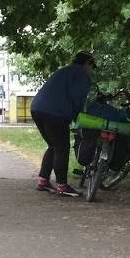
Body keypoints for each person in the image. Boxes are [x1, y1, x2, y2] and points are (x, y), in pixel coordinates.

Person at [30, 51, 96, 197]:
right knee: (62, 148)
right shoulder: (82, 75)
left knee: (53, 146)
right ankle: (62, 185)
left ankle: (43, 181)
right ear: (87, 63)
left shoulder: (64, 70)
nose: (91, 70)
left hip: (37, 109)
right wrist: (77, 117)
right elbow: (78, 98)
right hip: (55, 112)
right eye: (92, 66)